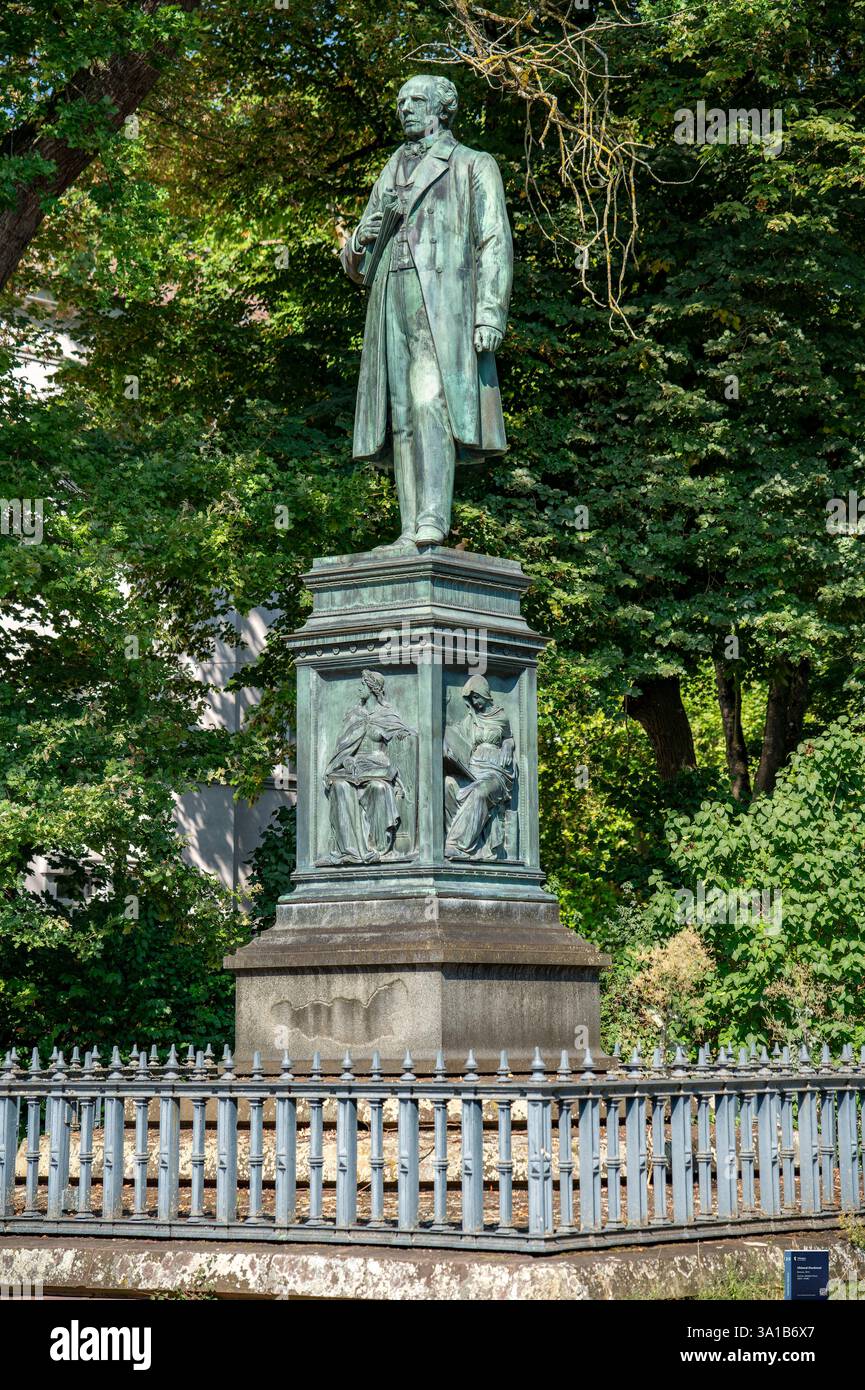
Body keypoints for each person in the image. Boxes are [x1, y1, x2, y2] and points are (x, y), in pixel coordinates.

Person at [341, 73, 513, 547]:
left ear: (442, 108)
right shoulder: (391, 166)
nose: (405, 108)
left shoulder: (472, 165)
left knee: (429, 401)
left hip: (443, 305)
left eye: (416, 100)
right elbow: (354, 263)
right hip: (390, 298)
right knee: (400, 411)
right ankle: (408, 527)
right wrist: (360, 238)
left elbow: (494, 242)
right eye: (400, 102)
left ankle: (433, 518)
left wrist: (489, 314)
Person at [324, 670, 416, 864]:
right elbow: (343, 748)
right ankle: (350, 850)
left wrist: (403, 736)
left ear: (373, 689)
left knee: (379, 788)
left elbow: (406, 734)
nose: (359, 688)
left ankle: (377, 847)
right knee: (339, 786)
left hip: (378, 767)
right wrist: (347, 760)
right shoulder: (354, 715)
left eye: (363, 685)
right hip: (354, 767)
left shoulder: (387, 715)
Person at [444, 674, 515, 858]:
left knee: (480, 792)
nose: (474, 702)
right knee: (448, 784)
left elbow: (508, 737)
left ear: (484, 694)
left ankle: (458, 845)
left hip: (496, 772)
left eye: (476, 697)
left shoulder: (501, 716)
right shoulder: (471, 719)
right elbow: (457, 735)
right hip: (474, 768)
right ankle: (446, 838)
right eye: (471, 698)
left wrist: (508, 744)